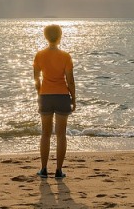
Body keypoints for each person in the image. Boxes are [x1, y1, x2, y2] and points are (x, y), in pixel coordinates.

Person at [33, 24, 76, 179]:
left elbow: (36, 79)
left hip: (46, 96)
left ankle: (44, 169)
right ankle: (58, 170)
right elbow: (70, 81)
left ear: (46, 37)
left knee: (45, 134)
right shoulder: (66, 56)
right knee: (61, 135)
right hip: (62, 96)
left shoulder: (39, 55)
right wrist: (74, 98)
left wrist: (40, 94)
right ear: (60, 36)